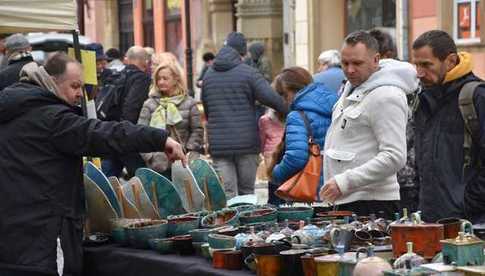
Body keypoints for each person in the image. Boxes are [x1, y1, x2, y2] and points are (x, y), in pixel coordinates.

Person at [0, 52, 185, 276]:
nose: (80, 94)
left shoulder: (12, 109)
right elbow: (105, 134)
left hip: (12, 239)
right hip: (42, 243)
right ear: (52, 82)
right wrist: (160, 138)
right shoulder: (53, 119)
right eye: (75, 86)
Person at [320, 31, 418, 219]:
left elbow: (394, 156)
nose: (349, 70)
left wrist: (344, 182)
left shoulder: (386, 95)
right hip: (349, 200)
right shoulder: (353, 87)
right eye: (345, 63)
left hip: (373, 204)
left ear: (376, 60)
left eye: (357, 63)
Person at [202, 32, 288, 199]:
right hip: (246, 142)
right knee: (247, 192)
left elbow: (207, 110)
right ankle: (248, 224)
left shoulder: (208, 76)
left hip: (220, 144)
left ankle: (230, 224)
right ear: (242, 52)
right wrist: (292, 113)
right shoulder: (248, 73)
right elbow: (271, 98)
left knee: (228, 194)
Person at [412, 30, 485, 223]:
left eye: (427, 65)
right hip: (430, 221)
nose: (419, 73)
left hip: (471, 223)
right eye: (416, 65)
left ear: (451, 61)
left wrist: (468, 203)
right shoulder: (423, 99)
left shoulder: (476, 97)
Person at [268, 67, 338, 205]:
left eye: (283, 96)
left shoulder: (297, 115)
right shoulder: (336, 104)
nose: (284, 101)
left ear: (289, 92)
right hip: (337, 184)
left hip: (312, 188)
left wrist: (275, 173)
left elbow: (296, 158)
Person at [369, 28, 419, 212]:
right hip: (376, 181)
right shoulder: (355, 85)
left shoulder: (404, 86)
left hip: (400, 180)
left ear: (386, 56)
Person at [138, 61, 204, 179]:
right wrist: (150, 157)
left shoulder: (189, 103)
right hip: (157, 165)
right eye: (158, 79)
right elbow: (140, 132)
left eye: (165, 78)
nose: (161, 82)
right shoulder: (149, 104)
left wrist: (188, 151)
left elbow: (197, 130)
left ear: (175, 79)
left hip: (183, 162)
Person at [100, 46, 151, 178]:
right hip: (126, 135)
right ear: (145, 62)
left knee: (107, 182)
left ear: (127, 59)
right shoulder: (141, 78)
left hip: (110, 132)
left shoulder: (116, 75)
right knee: (143, 180)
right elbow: (132, 107)